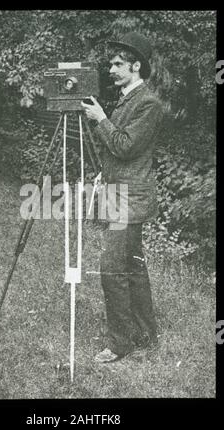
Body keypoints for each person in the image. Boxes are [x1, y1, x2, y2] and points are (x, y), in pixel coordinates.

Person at [81, 31, 164, 363]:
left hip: (131, 200)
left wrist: (101, 119)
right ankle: (145, 334)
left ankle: (120, 344)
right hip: (120, 194)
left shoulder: (149, 103)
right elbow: (118, 149)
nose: (111, 69)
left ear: (136, 66)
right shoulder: (128, 98)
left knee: (112, 268)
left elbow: (126, 146)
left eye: (118, 64)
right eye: (112, 64)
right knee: (132, 267)